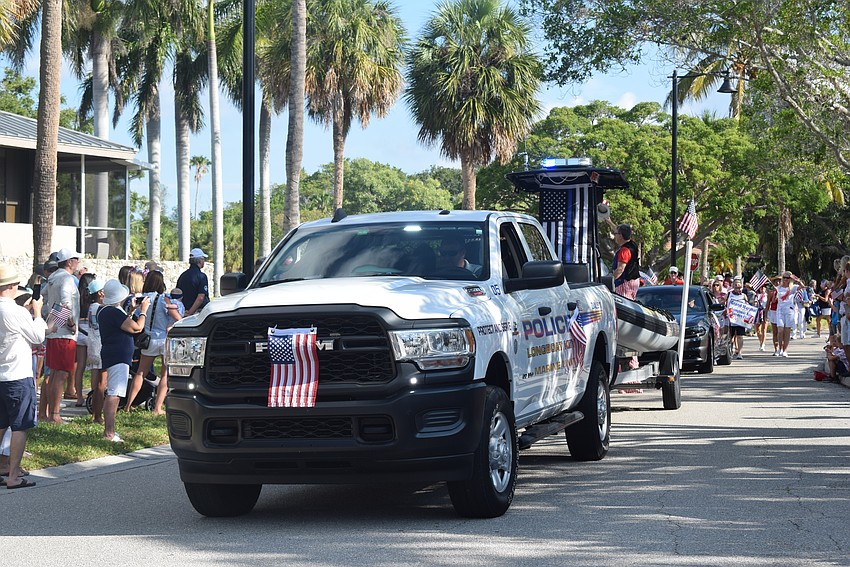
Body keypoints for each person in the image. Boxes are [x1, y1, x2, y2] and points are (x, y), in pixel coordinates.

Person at [0, 263, 48, 489]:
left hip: (1, 374)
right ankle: (13, 475)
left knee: (1, 424)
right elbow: (38, 337)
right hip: (17, 375)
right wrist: (37, 312)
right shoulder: (15, 310)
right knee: (19, 425)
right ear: (11, 286)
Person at [97, 279, 150, 442]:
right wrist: (143, 311)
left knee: (113, 392)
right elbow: (136, 327)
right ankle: (109, 433)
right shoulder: (113, 312)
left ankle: (109, 430)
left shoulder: (105, 311)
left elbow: (124, 323)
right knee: (115, 393)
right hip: (118, 355)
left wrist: (131, 310)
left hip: (113, 353)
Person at [125, 270, 183, 415]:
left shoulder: (143, 299)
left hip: (149, 339)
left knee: (140, 373)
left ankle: (128, 405)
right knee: (165, 375)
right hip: (164, 338)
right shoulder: (165, 299)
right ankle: (157, 408)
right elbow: (175, 317)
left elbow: (138, 316)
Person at [43, 248, 81, 424]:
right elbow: (66, 302)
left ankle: (47, 413)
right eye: (76, 259)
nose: (78, 262)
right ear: (69, 262)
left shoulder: (53, 278)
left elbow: (44, 299)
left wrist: (50, 319)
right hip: (63, 333)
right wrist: (70, 323)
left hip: (53, 330)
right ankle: (55, 415)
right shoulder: (66, 279)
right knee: (62, 374)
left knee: (53, 374)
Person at [71, 272, 96, 407]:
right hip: (91, 331)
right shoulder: (94, 298)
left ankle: (79, 397)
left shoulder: (77, 297)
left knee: (80, 366)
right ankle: (94, 395)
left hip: (80, 331)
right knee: (94, 366)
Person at [85, 279, 106, 423]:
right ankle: (98, 411)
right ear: (100, 293)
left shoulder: (91, 307)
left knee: (95, 377)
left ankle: (94, 408)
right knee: (102, 382)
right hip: (99, 344)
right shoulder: (100, 308)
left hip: (92, 344)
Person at [774, 271, 803, 357]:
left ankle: (785, 350)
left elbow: (803, 286)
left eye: (788, 278)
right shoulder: (778, 288)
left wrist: (797, 280)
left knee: (787, 331)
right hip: (780, 310)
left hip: (789, 310)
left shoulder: (793, 288)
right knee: (780, 330)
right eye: (784, 278)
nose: (786, 279)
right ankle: (779, 348)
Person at [177, 248, 210, 316]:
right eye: (203, 259)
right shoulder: (202, 276)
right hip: (198, 313)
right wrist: (190, 312)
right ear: (200, 261)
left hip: (184, 311)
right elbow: (200, 297)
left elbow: (178, 294)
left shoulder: (183, 276)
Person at [611, 224, 640, 299]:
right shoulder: (633, 244)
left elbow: (620, 269)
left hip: (624, 283)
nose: (615, 236)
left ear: (620, 236)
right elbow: (621, 231)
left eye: (616, 234)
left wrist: (609, 280)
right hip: (634, 281)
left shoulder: (624, 250)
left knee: (622, 303)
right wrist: (609, 221)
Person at [726, 276, 752, 359]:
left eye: (739, 287)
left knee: (740, 336)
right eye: (736, 287)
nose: (738, 289)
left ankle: (740, 352)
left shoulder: (743, 295)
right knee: (731, 336)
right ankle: (730, 351)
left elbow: (747, 306)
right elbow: (724, 302)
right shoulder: (729, 294)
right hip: (731, 319)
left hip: (740, 319)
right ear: (733, 286)